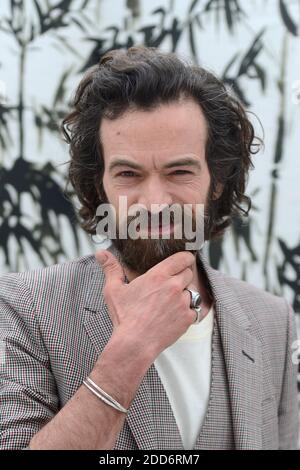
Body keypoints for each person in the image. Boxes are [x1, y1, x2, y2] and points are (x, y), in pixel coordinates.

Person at [0, 46, 298, 450]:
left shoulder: (271, 319)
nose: (155, 202)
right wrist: (130, 351)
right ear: (98, 183)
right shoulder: (24, 306)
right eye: (128, 173)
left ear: (218, 180)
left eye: (179, 171)